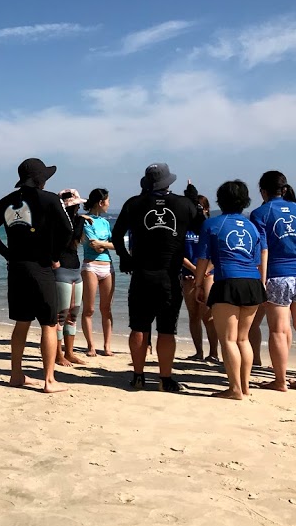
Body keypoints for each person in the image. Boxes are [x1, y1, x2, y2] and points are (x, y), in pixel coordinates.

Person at [0, 158, 72, 394]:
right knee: (49, 324)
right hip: (41, 267)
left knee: (22, 322)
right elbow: (67, 230)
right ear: (40, 180)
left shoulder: (7, 201)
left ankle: (16, 374)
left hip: (17, 267)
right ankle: (49, 380)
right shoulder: (50, 199)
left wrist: (7, 254)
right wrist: (55, 255)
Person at [112, 163, 198, 392]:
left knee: (139, 326)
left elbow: (116, 234)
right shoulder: (183, 204)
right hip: (169, 274)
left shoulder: (133, 203)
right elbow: (203, 228)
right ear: (169, 182)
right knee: (167, 329)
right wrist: (194, 199)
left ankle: (138, 376)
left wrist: (124, 257)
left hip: (141, 273)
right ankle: (165, 378)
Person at [249, 171, 296, 391]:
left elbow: (263, 250)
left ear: (263, 190)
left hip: (278, 275)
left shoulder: (260, 213)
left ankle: (280, 381)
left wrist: (261, 282)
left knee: (279, 330)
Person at [193, 180, 267, 400]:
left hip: (228, 282)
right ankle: (245, 387)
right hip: (252, 283)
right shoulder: (252, 226)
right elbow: (256, 259)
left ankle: (234, 389)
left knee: (228, 339)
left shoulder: (213, 224)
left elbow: (203, 258)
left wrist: (198, 284)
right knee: (243, 339)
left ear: (220, 200)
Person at [181, 186, 219, 363]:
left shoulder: (210, 228)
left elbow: (215, 253)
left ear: (206, 209)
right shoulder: (184, 228)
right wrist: (195, 271)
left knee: (208, 315)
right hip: (189, 274)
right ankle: (198, 352)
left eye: (201, 207)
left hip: (208, 275)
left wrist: (203, 272)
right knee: (194, 315)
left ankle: (213, 353)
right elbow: (179, 254)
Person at [79, 188, 115, 357]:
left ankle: (107, 346)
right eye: (107, 201)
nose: (109, 204)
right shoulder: (86, 221)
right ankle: (90, 345)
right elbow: (94, 244)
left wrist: (105, 244)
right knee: (89, 309)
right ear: (100, 202)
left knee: (106, 309)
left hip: (108, 266)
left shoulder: (105, 222)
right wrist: (105, 244)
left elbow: (114, 245)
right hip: (91, 265)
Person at [55, 189, 87, 366]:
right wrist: (82, 220)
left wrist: (81, 220)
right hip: (62, 271)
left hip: (75, 269)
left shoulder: (76, 221)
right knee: (61, 315)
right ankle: (58, 354)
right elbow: (72, 236)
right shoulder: (59, 223)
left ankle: (69, 352)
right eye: (76, 205)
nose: (79, 208)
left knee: (73, 313)